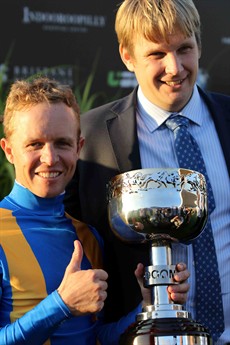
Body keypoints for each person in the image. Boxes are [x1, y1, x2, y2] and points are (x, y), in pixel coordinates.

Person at [64, 0, 230, 344]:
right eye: (157, 54)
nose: (175, 67)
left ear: (199, 45)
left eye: (185, 48)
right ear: (127, 56)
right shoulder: (91, 136)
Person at [0, 76, 189, 345]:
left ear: (78, 148)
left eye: (62, 143)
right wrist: (62, 304)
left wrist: (148, 308)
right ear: (9, 150)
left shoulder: (88, 235)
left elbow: (96, 338)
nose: (50, 158)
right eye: (35, 144)